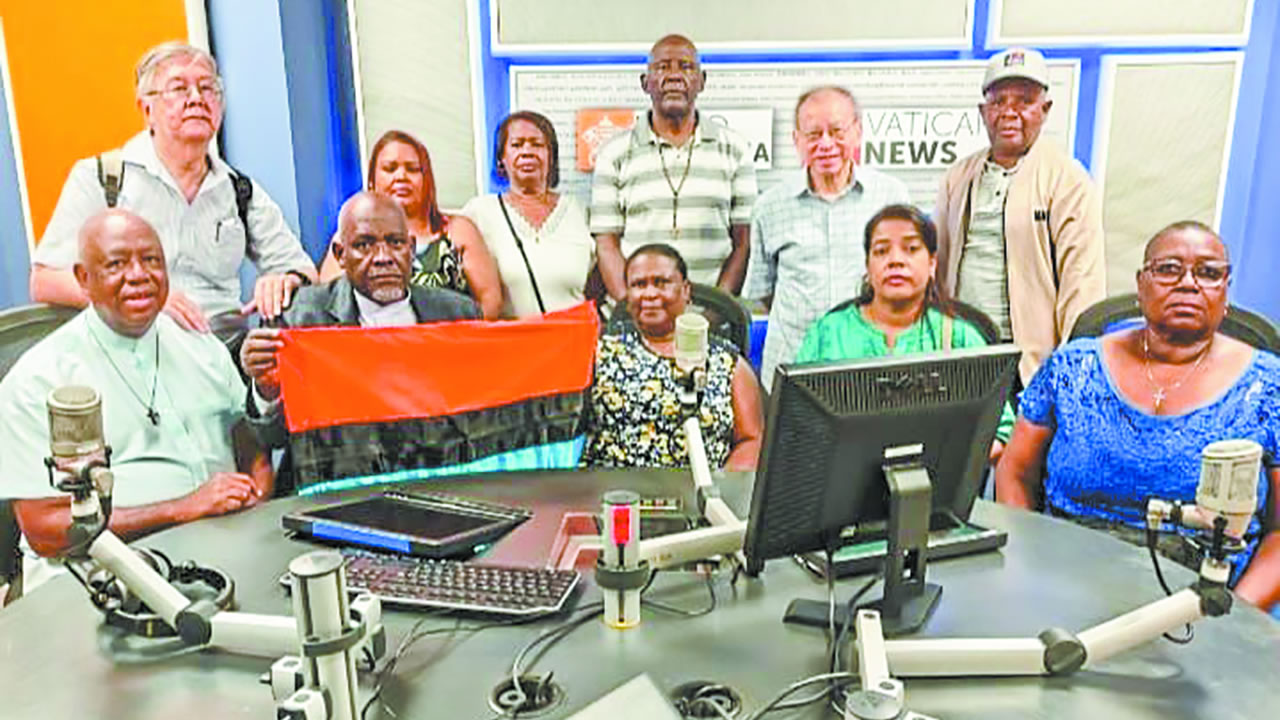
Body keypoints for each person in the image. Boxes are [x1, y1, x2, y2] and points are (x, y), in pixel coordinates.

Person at [995, 222, 1280, 612]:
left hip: (1203, 602)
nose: (1188, 284)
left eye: (1208, 272)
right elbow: (1014, 472)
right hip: (1062, 585)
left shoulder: (1269, 388)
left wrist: (1233, 618)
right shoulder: (1073, 367)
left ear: (1225, 290)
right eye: (1169, 269)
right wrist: (1024, 567)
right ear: (1141, 284)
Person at [0, 209, 272, 589]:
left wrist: (257, 501)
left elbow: (250, 445)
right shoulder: (38, 380)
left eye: (151, 260)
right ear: (83, 278)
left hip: (225, 556)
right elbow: (45, 529)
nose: (139, 275)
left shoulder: (200, 344)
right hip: (97, 579)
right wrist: (181, 510)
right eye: (116, 264)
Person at [30, 41, 316, 341]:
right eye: (179, 89)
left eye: (207, 88)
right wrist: (143, 300)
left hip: (222, 346)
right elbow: (46, 280)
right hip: (137, 343)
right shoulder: (103, 179)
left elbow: (305, 270)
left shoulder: (239, 190)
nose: (196, 99)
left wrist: (285, 279)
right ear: (147, 109)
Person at [240, 192, 481, 461]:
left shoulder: (459, 315)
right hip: (338, 479)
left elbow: (480, 422)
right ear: (340, 255)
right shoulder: (299, 319)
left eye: (395, 243)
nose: (383, 257)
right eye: (365, 245)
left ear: (411, 248)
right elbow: (271, 438)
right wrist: (267, 389)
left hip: (436, 473)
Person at [934, 47, 1105, 386]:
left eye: (1024, 101)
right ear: (983, 111)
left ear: (1045, 109)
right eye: (999, 102)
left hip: (1030, 368)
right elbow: (936, 271)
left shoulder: (1067, 180)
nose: (1009, 113)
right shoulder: (957, 178)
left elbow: (1081, 286)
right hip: (961, 359)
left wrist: (1069, 375)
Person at [796, 205, 1014, 459]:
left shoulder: (959, 337)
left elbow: (1001, 430)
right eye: (881, 251)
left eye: (911, 249)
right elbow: (797, 425)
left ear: (932, 263)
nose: (895, 261)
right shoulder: (829, 333)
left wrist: (952, 461)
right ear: (868, 266)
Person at [746, 86, 909, 389]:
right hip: (792, 367)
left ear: (857, 132)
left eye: (836, 131)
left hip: (871, 366)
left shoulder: (891, 197)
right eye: (813, 134)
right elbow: (765, 292)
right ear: (796, 140)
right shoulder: (769, 206)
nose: (825, 144)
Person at [590, 34, 757, 299]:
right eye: (663, 67)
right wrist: (633, 308)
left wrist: (717, 308)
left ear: (702, 81)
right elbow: (606, 244)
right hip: (639, 310)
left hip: (712, 310)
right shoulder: (614, 154)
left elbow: (744, 243)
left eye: (686, 67)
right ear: (645, 83)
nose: (674, 76)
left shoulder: (735, 150)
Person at [582, 244, 763, 470]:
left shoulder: (727, 361)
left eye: (661, 283)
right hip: (615, 488)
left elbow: (751, 440)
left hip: (704, 488)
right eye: (639, 285)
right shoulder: (600, 354)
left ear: (685, 290)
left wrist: (723, 486)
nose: (650, 294)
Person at [317, 130, 503, 318]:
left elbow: (490, 301)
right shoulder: (349, 235)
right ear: (372, 180)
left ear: (427, 180)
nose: (401, 176)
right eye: (390, 169)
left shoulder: (458, 230)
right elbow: (331, 303)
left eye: (413, 169)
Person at [452, 112, 595, 318]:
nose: (527, 152)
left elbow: (597, 286)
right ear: (501, 158)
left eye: (537, 144)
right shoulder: (478, 213)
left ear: (551, 156)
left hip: (574, 335)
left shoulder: (580, 212)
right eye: (517, 145)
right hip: (510, 337)